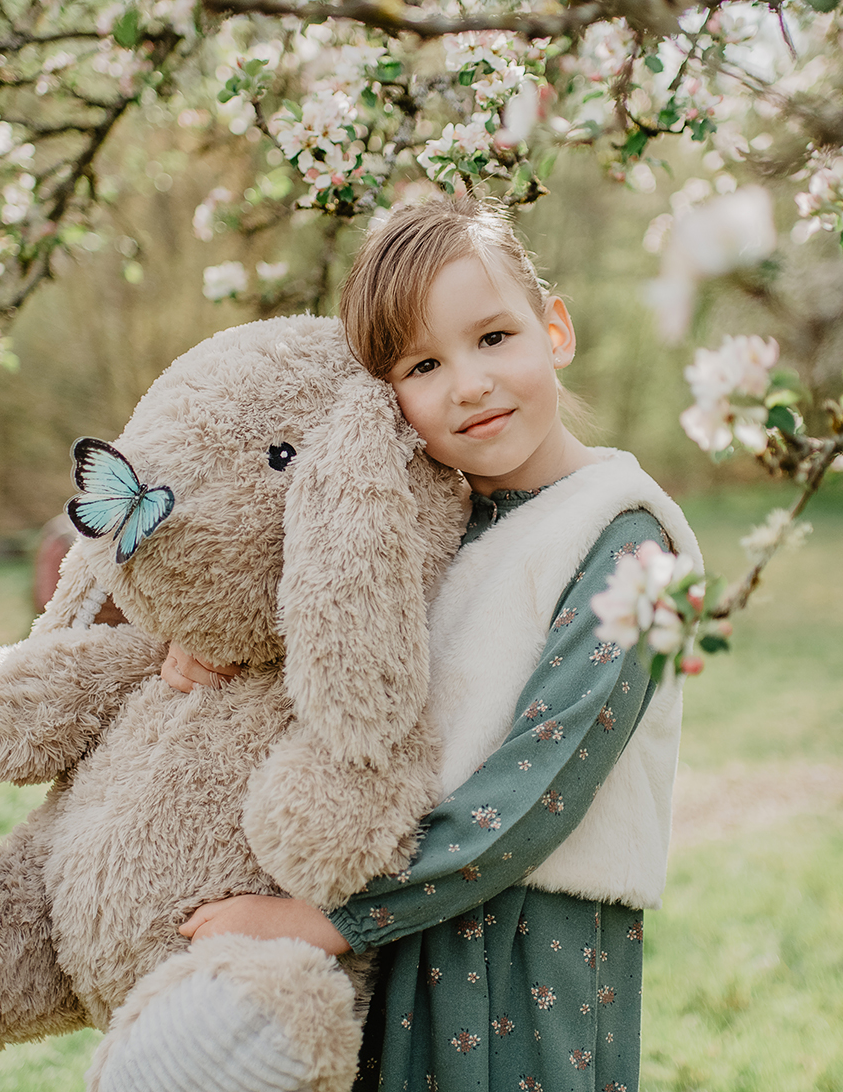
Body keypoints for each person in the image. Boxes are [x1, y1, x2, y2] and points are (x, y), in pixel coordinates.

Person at [169, 196, 701, 1092]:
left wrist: (325, 920)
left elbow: (537, 793)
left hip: (529, 943)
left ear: (555, 328)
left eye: (494, 338)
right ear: (389, 399)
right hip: (401, 928)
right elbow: (347, 664)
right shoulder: (433, 529)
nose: (470, 384)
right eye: (425, 363)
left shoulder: (629, 544)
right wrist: (212, 657)